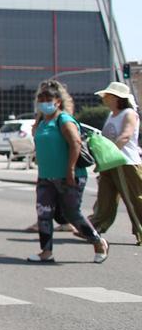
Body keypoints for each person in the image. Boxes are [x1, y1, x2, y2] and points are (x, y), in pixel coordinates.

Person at [27, 79, 108, 263]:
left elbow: (75, 144)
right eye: (41, 98)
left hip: (69, 176)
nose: (44, 101)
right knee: (43, 213)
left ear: (58, 101)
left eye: (49, 98)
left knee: (72, 214)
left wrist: (70, 170)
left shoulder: (64, 119)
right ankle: (46, 252)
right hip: (46, 176)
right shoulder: (41, 122)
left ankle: (98, 242)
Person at [87, 81, 142, 245]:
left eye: (108, 96)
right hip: (110, 163)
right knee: (105, 197)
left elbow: (125, 136)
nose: (104, 99)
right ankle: (93, 228)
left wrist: (110, 153)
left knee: (134, 199)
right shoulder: (112, 115)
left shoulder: (129, 114)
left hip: (126, 163)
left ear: (117, 98)